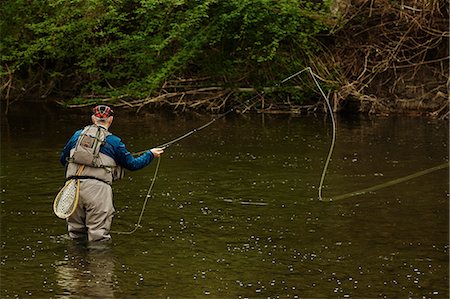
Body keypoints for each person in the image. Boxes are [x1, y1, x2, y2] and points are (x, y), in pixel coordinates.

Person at [60, 105, 163, 242]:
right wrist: (150, 154)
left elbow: (63, 160)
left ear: (93, 118)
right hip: (98, 190)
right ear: (111, 120)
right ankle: (100, 263)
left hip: (73, 189)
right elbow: (133, 164)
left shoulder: (77, 136)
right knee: (98, 236)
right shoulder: (114, 142)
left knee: (75, 235)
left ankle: (75, 262)